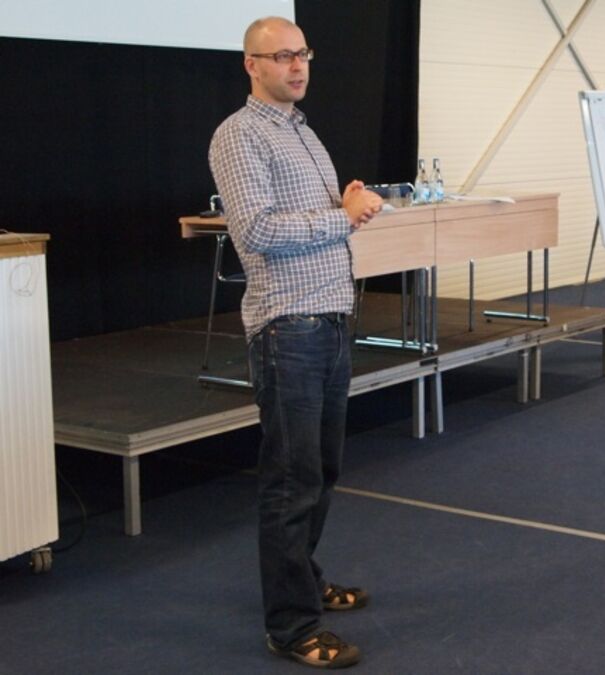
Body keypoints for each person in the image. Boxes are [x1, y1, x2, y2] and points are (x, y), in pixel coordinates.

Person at [208, 16, 382, 670]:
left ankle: (303, 582)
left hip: (329, 319)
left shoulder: (303, 132)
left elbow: (311, 220)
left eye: (302, 53)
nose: (297, 66)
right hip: (290, 327)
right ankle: (290, 625)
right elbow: (257, 232)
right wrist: (342, 216)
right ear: (251, 65)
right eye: (281, 57)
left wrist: (348, 199)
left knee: (322, 469)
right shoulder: (239, 135)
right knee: (291, 479)